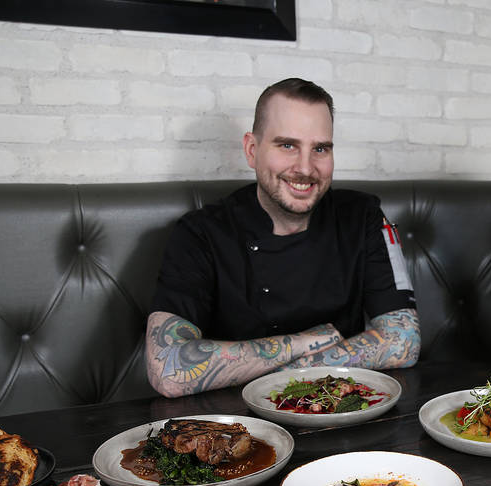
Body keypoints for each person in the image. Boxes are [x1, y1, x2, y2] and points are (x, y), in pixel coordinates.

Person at [145, 78, 420, 398]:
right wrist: (310, 340)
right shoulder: (200, 233)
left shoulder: (365, 217)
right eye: (287, 145)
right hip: (239, 428)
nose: (305, 168)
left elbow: (405, 341)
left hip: (342, 409)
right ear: (252, 149)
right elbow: (167, 369)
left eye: (320, 148)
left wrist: (280, 374)